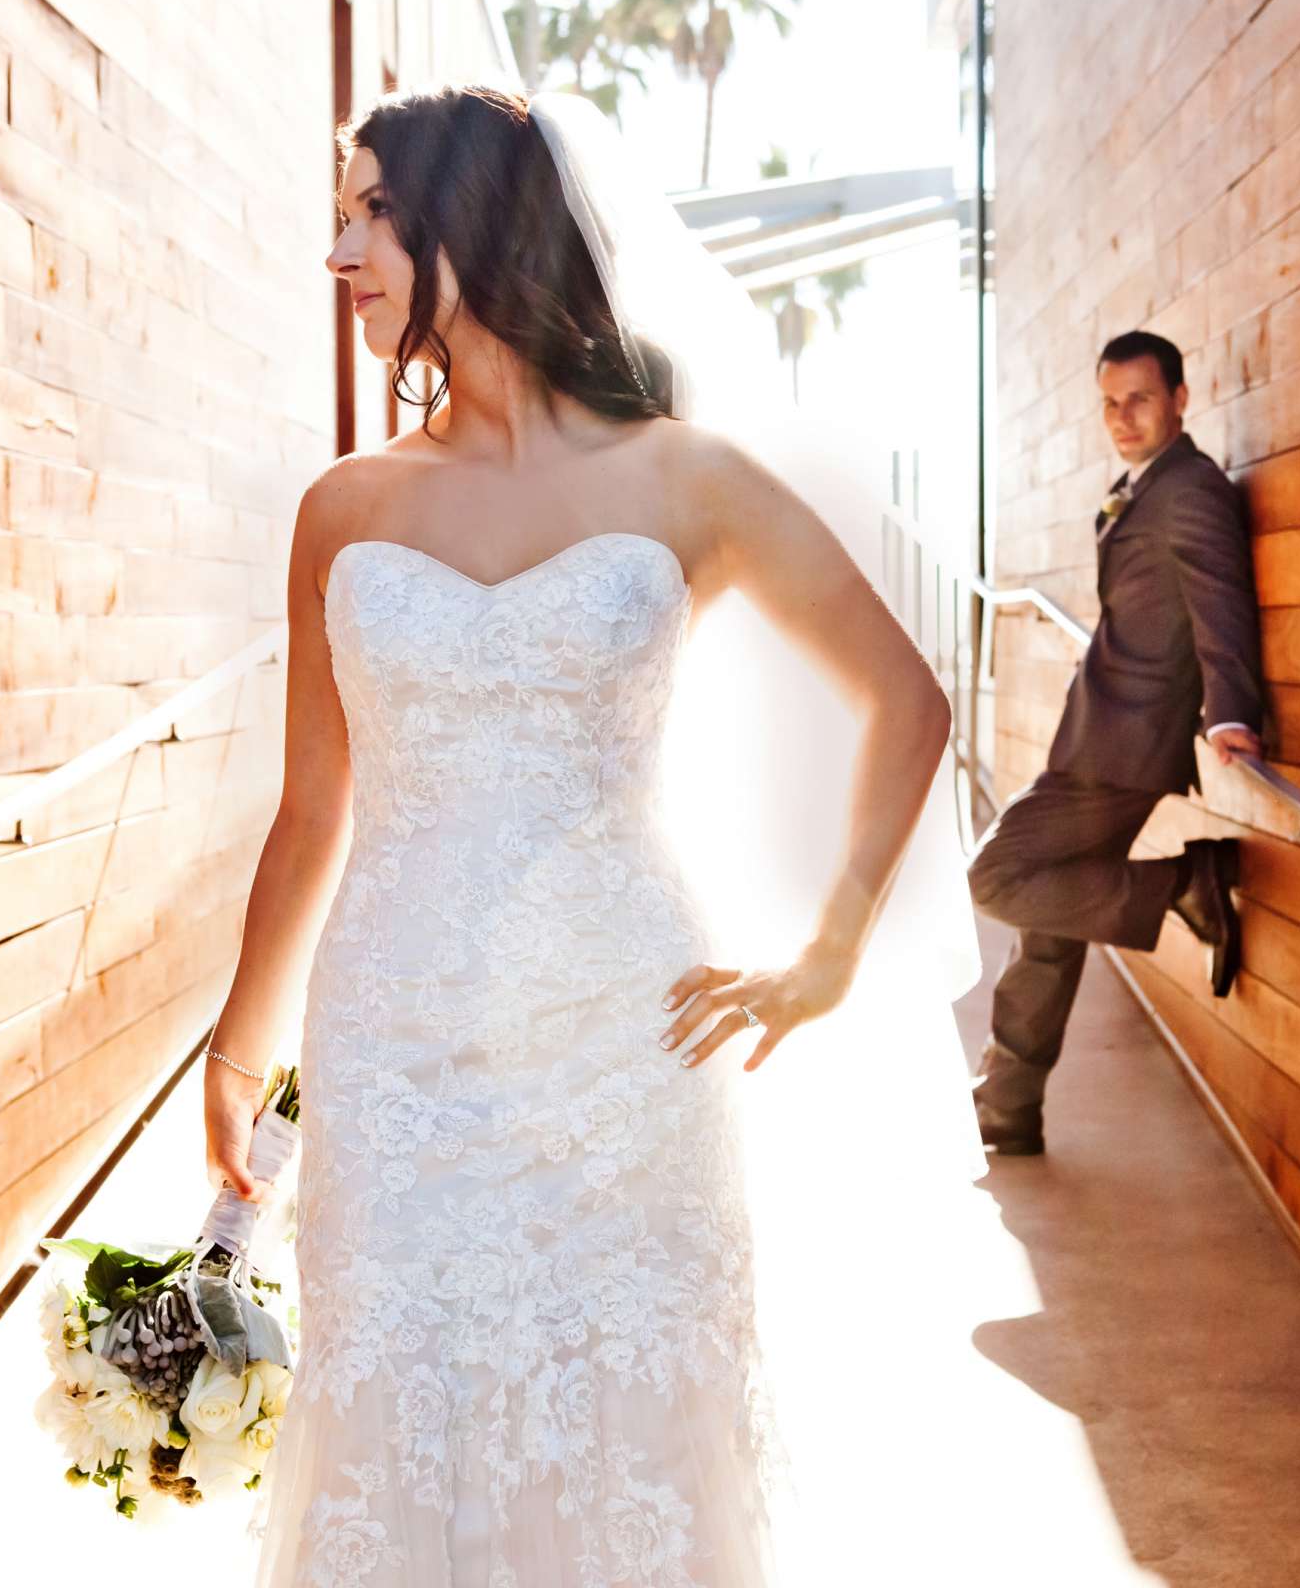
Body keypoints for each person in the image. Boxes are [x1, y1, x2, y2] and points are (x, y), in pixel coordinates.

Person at [197, 85, 969, 1586]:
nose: (337, 253)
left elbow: (906, 698)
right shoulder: (342, 510)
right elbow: (312, 810)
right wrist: (239, 1050)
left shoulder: (688, 478)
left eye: (363, 212)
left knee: (626, 1439)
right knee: (397, 1432)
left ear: (463, 226)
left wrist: (829, 954)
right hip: (396, 1052)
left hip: (625, 1046)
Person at [964, 330, 1266, 1157]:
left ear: (1179, 397)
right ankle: (1009, 1104)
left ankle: (1182, 882)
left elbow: (1221, 600)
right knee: (1048, 922)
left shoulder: (1192, 490)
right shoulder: (1143, 486)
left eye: (1138, 398)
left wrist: (1231, 709)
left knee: (992, 877)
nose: (1121, 417)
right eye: (1109, 402)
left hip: (1124, 743)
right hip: (1097, 733)